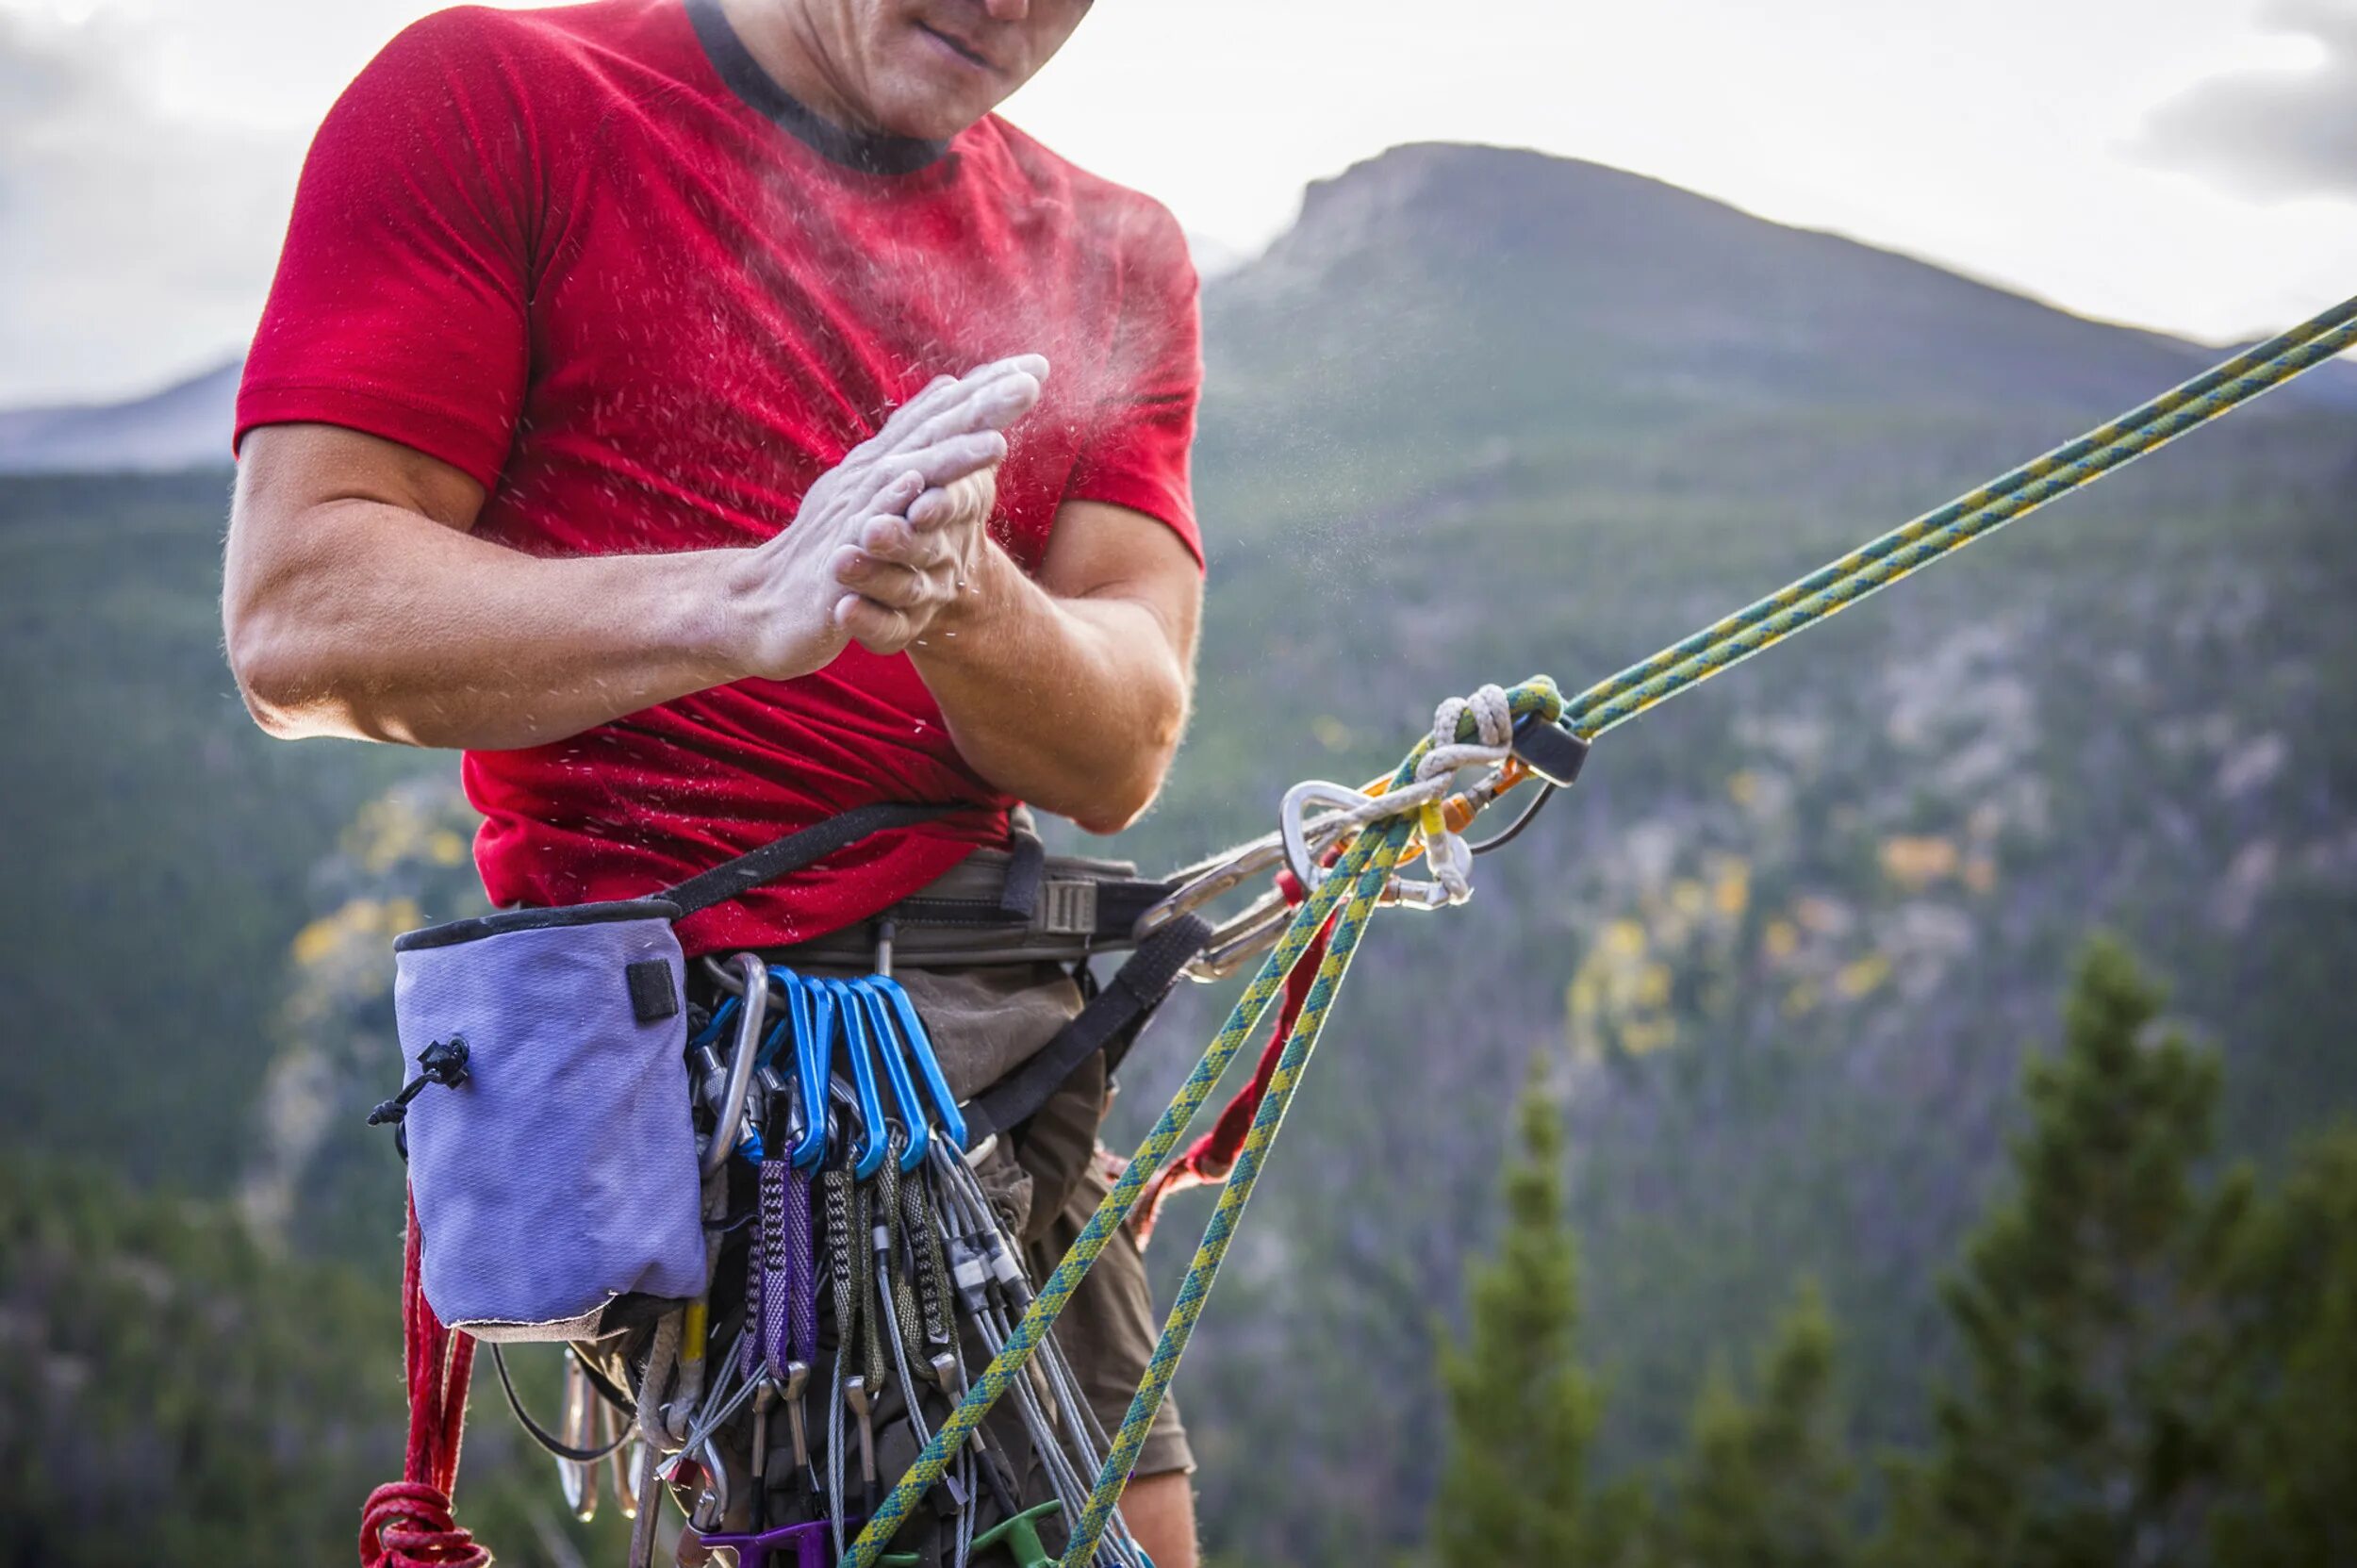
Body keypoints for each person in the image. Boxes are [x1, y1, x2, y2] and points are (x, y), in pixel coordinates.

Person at [221, 0, 1205, 1561]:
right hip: (750, 1100)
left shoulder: (1111, 254)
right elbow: (300, 613)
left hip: (1004, 1075)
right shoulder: (501, 100)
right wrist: (748, 603)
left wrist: (961, 598)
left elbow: (1119, 746)